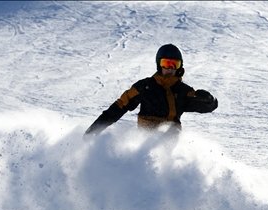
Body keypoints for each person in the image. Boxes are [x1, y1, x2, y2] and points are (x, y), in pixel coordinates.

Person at [83, 44, 218, 141]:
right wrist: (96, 127)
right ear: (159, 65)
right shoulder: (145, 86)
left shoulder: (184, 91)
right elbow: (120, 106)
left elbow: (207, 107)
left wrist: (208, 100)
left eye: (174, 64)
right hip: (146, 136)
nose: (170, 68)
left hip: (171, 139)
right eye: (166, 63)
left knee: (172, 131)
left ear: (179, 67)